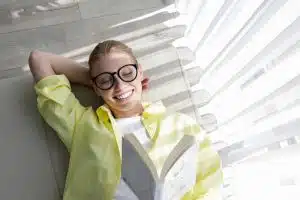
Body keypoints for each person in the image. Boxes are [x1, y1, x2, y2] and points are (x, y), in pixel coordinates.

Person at [28, 40, 223, 200]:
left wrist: (108, 80)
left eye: (127, 73)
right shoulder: (82, 126)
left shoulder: (181, 125)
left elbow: (210, 183)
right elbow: (39, 59)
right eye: (106, 80)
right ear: (95, 86)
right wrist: (97, 81)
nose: (120, 86)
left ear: (140, 72)